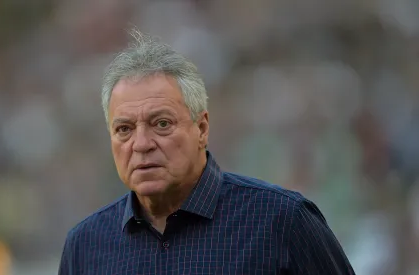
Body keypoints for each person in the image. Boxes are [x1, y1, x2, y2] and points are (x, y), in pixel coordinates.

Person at [58, 29, 355, 275]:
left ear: (201, 129)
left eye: (161, 123)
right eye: (124, 129)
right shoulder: (85, 247)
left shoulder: (283, 221)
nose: (141, 143)